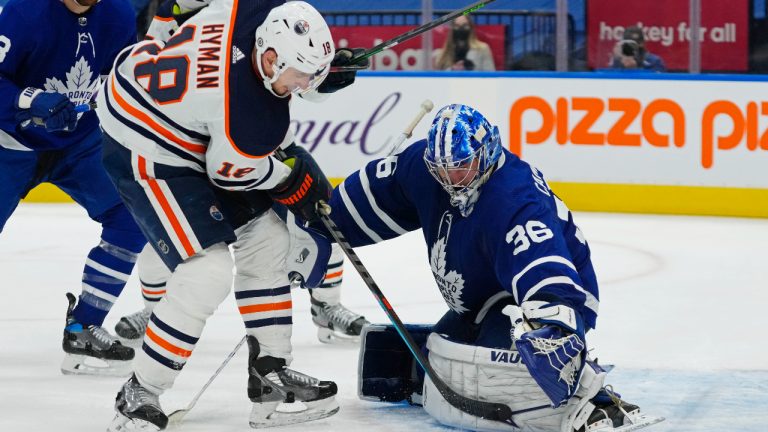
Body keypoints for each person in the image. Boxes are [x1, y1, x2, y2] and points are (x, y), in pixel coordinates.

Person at [96, 0, 365, 429]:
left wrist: (320, 76)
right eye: (302, 74)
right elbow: (235, 173)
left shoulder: (256, 9)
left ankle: (270, 379)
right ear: (272, 59)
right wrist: (290, 179)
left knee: (270, 240)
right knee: (207, 270)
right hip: (141, 139)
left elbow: (181, 6)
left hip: (177, 108)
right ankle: (139, 392)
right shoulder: (250, 119)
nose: (306, 84)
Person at [319, 104, 658, 431]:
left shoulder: (513, 197)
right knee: (442, 350)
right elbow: (369, 195)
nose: (451, 178)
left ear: (487, 153)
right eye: (443, 169)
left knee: (498, 369)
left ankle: (593, 398)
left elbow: (543, 263)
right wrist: (317, 217)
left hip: (548, 297)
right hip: (482, 300)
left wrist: (552, 326)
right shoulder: (426, 168)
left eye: (461, 166)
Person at [0, 0, 146, 376]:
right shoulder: (23, 12)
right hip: (9, 145)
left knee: (131, 217)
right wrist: (27, 100)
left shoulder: (118, 13)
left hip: (77, 145)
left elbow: (120, 82)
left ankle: (84, 325)